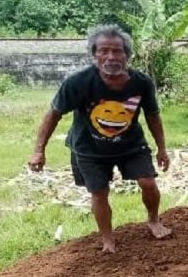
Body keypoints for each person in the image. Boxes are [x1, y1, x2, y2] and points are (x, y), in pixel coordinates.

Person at [27, 24, 172, 253]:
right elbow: (53, 114)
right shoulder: (78, 83)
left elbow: (153, 116)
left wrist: (162, 149)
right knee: (99, 192)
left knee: (148, 182)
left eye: (117, 51)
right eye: (103, 51)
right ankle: (108, 239)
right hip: (89, 149)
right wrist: (38, 150)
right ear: (94, 54)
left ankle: (154, 220)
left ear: (127, 55)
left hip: (131, 145)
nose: (111, 57)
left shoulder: (141, 83)